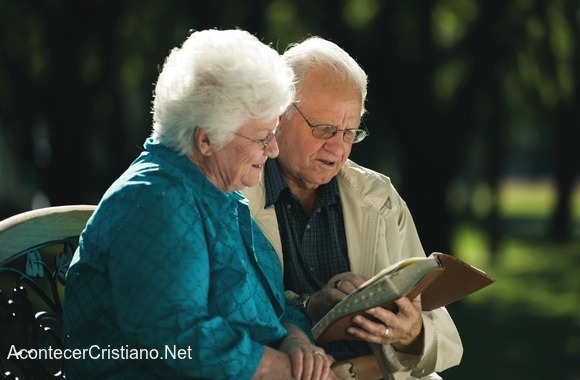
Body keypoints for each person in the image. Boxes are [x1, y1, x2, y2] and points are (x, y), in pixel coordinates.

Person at [63, 29, 339, 380]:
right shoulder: (154, 200)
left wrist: (295, 342)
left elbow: (271, 307)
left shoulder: (218, 196)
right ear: (206, 139)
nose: (273, 150)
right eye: (262, 137)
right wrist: (282, 370)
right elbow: (174, 337)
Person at [242, 37, 463, 379]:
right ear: (277, 114)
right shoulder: (235, 193)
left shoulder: (379, 198)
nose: (338, 148)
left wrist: (411, 334)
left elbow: (444, 338)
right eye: (324, 129)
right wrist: (312, 309)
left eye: (350, 132)